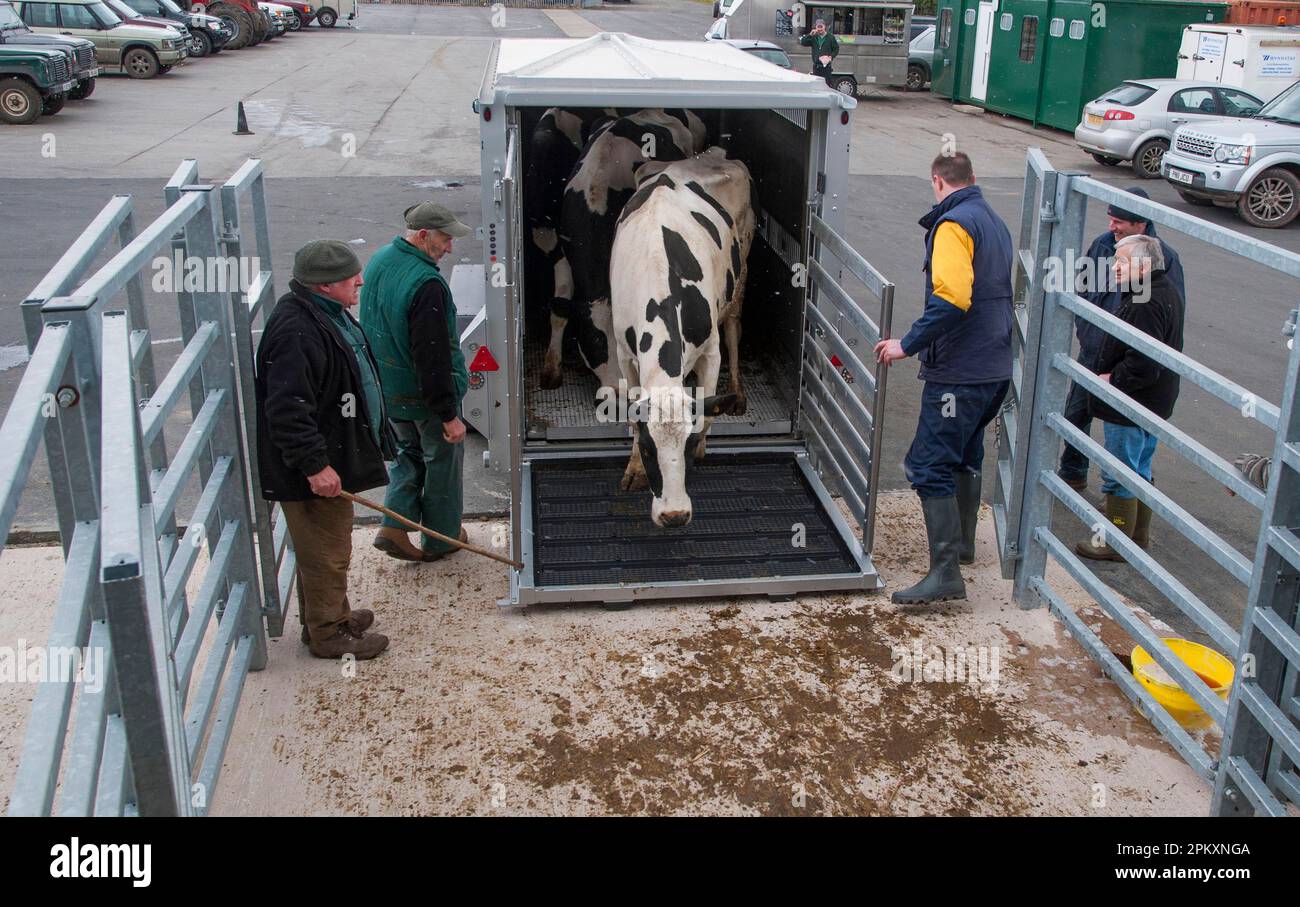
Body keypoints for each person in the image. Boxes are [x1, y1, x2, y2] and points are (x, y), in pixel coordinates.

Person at [874, 152, 1014, 604]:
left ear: (937, 182)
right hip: (994, 366)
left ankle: (945, 570)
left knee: (928, 463)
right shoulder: (992, 219)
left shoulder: (953, 225)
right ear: (972, 179)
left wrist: (906, 344)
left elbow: (952, 299)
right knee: (965, 453)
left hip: (961, 369)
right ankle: (964, 546)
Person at [255, 240, 391, 660]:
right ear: (325, 285)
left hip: (329, 455)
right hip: (311, 470)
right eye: (353, 278)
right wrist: (315, 466)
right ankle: (328, 635)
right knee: (325, 554)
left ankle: (330, 617)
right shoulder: (297, 331)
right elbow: (288, 408)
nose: (361, 282)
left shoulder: (321, 313)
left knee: (327, 548)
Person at [361, 202, 473, 562]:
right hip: (424, 395)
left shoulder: (380, 260)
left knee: (407, 455)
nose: (450, 248)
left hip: (389, 389)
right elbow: (432, 357)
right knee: (443, 460)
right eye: (445, 239)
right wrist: (448, 415)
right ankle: (442, 537)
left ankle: (393, 525)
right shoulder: (427, 285)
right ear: (423, 236)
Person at [1058, 187, 1184, 491]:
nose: (1110, 227)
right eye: (1110, 219)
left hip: (1130, 361)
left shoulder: (1162, 260)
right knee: (1076, 412)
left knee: (1128, 433)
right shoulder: (1103, 245)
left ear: (1139, 223)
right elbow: (1083, 287)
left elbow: (1169, 314)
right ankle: (1073, 471)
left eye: (1118, 222)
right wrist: (1087, 329)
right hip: (1096, 347)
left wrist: (1123, 370)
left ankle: (1131, 497)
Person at [1075, 234, 1184, 560]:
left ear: (1145, 264)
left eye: (1122, 261)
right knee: (1139, 465)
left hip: (1131, 401)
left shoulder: (1144, 302)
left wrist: (1113, 378)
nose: (1114, 266)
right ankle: (1137, 535)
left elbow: (1143, 360)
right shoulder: (1160, 290)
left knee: (1119, 470)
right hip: (1154, 399)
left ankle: (1115, 542)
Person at [799, 18, 839, 85]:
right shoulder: (814, 37)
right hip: (816, 67)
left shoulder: (830, 37)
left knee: (827, 85)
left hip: (826, 67)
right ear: (816, 27)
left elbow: (836, 49)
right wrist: (810, 35)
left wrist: (831, 57)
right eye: (818, 27)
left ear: (824, 27)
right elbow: (803, 42)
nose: (820, 29)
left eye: (821, 27)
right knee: (816, 85)